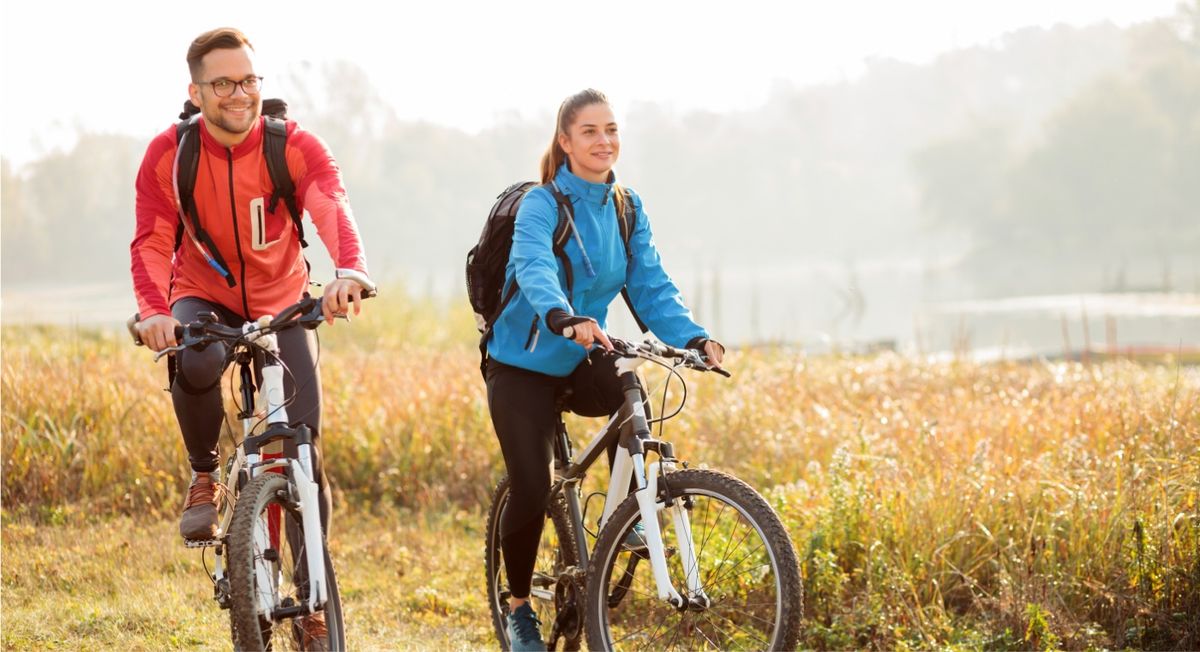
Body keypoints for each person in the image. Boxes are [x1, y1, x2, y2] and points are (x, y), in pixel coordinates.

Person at [129, 28, 371, 640]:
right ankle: (204, 472)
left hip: (283, 299)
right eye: (225, 83)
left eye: (250, 80)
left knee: (302, 453)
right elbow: (154, 240)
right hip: (202, 295)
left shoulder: (291, 145)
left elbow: (329, 203)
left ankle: (311, 594)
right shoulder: (170, 153)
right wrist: (155, 310)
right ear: (197, 90)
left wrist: (350, 271)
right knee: (198, 357)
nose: (241, 94)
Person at [484, 88, 725, 651]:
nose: (604, 141)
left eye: (611, 129)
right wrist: (562, 315)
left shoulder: (626, 206)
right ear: (565, 142)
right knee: (530, 482)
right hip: (521, 363)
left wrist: (693, 336)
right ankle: (519, 608)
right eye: (590, 131)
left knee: (629, 382)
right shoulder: (543, 204)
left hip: (581, 352)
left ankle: (628, 512)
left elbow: (650, 284)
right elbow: (535, 264)